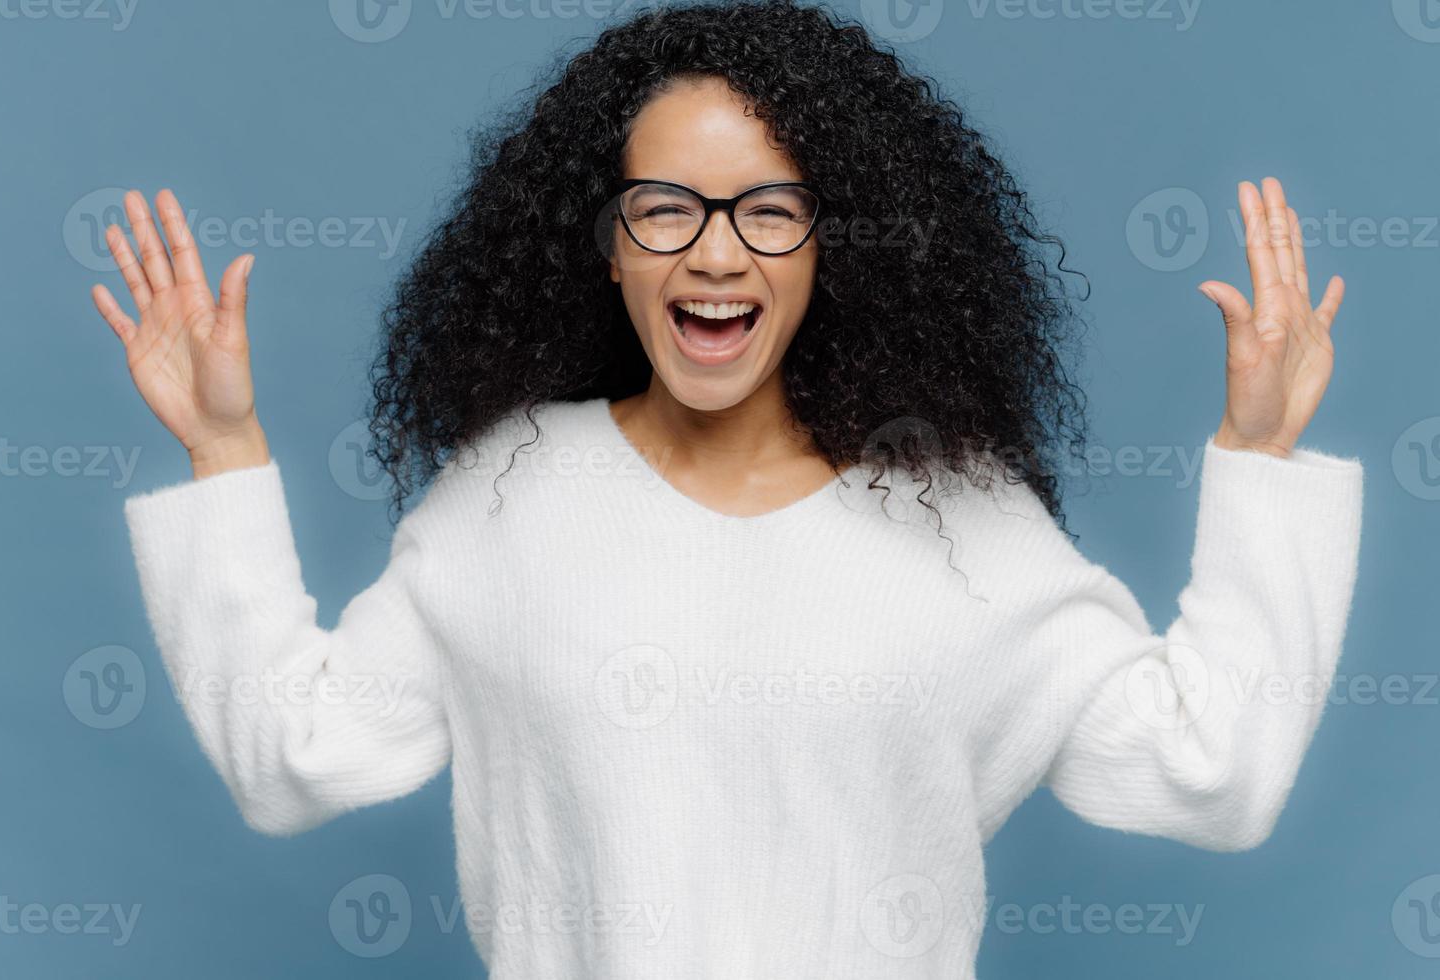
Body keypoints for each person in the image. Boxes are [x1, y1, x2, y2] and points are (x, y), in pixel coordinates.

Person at [91, 1, 1363, 976]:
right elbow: (293, 756)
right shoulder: (510, 501)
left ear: (829, 243)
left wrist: (1256, 459)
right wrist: (223, 450)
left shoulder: (960, 522)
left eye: (769, 209)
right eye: (665, 208)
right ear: (605, 247)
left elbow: (1216, 770)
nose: (713, 250)